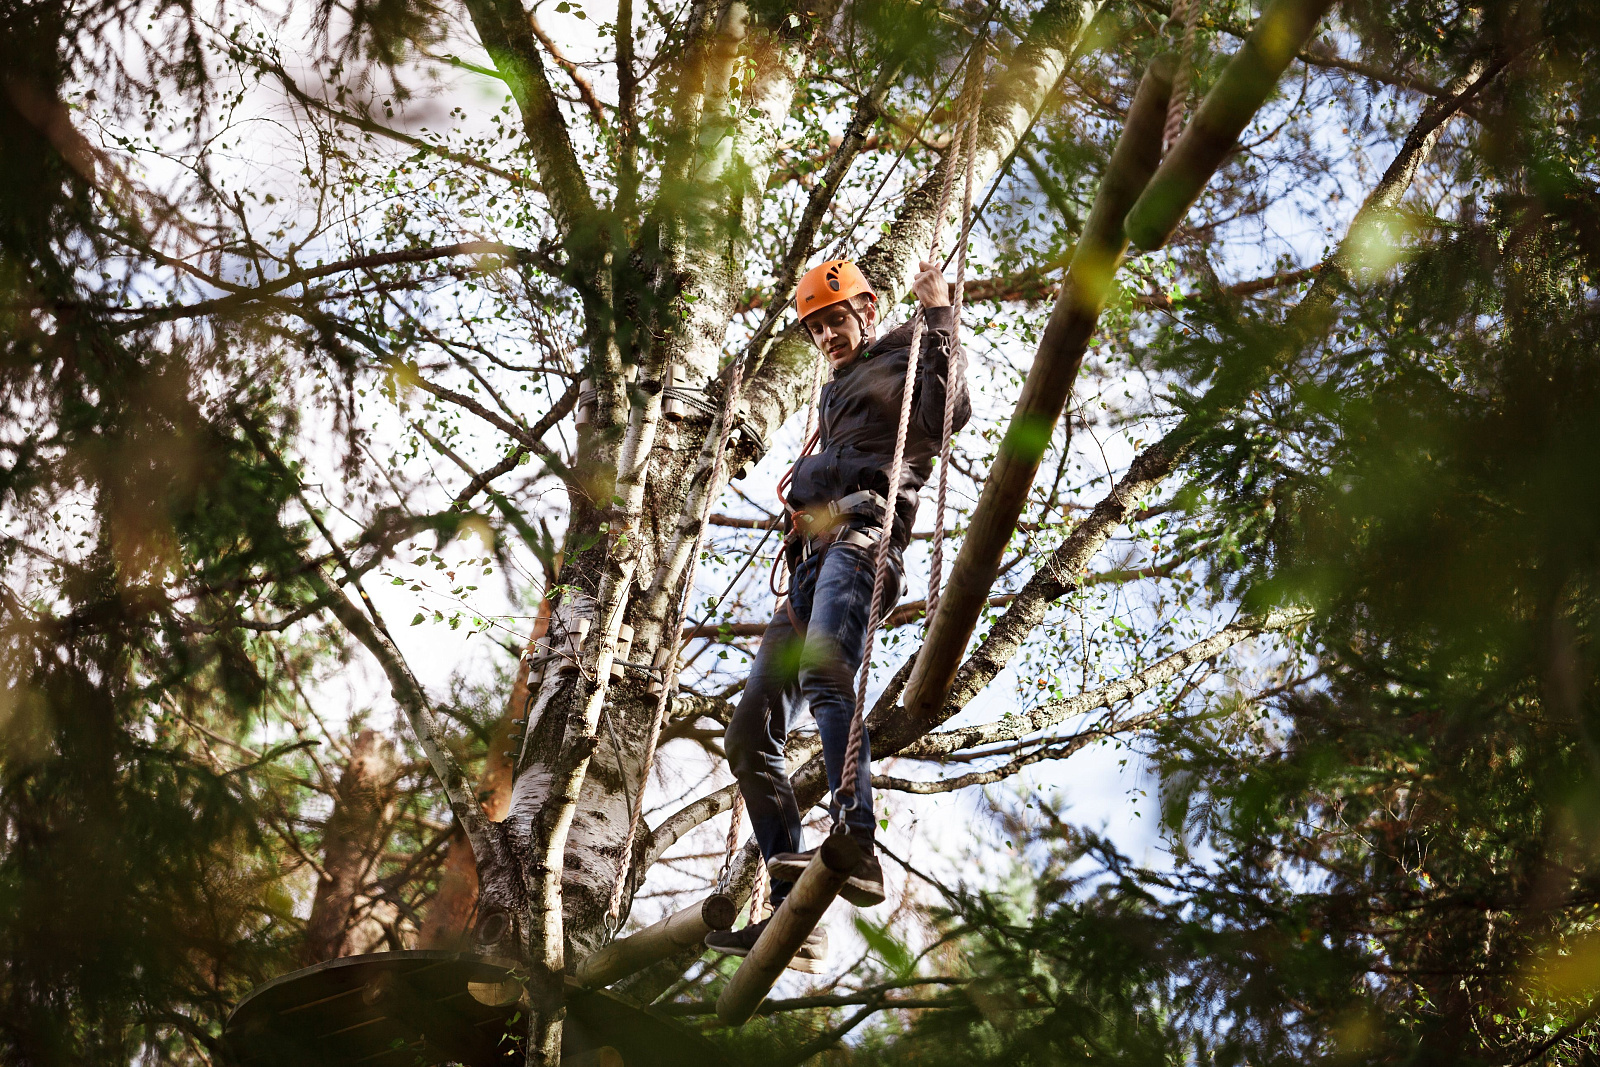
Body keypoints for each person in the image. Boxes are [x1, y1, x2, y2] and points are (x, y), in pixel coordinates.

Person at [705, 257, 970, 971]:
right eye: (817, 327)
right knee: (747, 730)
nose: (827, 334)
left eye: (836, 319)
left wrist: (940, 311)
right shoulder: (835, 393)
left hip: (860, 545)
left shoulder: (906, 354)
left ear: (868, 309)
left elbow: (949, 411)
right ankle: (786, 891)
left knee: (828, 676)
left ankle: (858, 841)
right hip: (813, 562)